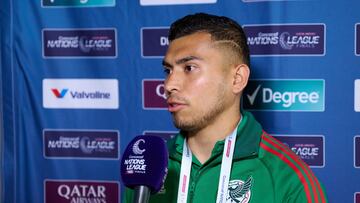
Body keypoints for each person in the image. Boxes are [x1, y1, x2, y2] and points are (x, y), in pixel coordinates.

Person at [125, 13, 328, 203]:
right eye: (168, 70)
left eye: (189, 68)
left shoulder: (287, 177)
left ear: (237, 79)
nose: (169, 85)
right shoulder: (149, 167)